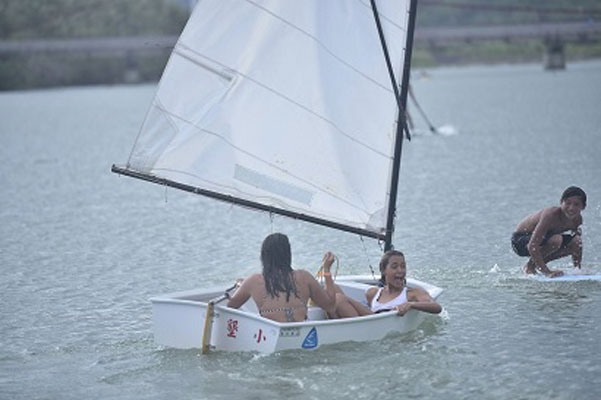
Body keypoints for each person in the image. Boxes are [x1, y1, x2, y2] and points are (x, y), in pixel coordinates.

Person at [227, 233, 339, 322]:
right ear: (288, 255)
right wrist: (327, 270)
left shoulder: (253, 281)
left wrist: (241, 287)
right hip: (302, 336)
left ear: (264, 257)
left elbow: (230, 307)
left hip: (270, 335)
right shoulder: (304, 276)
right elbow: (331, 306)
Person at [328, 250, 442, 317]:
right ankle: (326, 270)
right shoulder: (372, 293)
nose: (400, 270)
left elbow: (436, 307)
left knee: (339, 298)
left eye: (403, 266)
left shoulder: (411, 294)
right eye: (394, 267)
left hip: (375, 326)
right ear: (383, 270)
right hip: (372, 320)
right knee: (333, 288)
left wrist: (410, 305)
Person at [511, 186, 586, 278]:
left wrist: (578, 271)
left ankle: (577, 269)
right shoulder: (550, 215)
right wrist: (546, 272)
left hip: (543, 240)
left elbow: (577, 246)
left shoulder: (578, 220)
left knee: (577, 241)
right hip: (520, 240)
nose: (571, 208)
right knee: (556, 240)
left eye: (576, 204)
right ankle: (530, 267)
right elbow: (532, 246)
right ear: (561, 202)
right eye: (568, 203)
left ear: (583, 207)